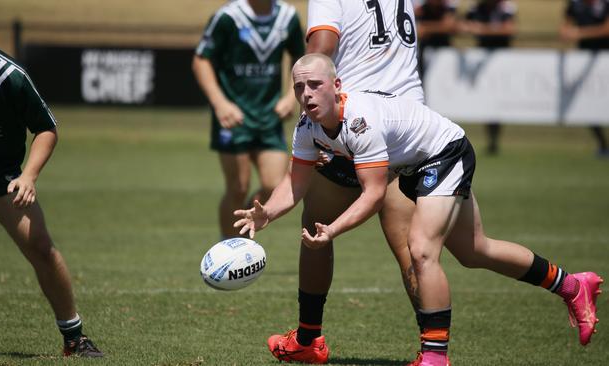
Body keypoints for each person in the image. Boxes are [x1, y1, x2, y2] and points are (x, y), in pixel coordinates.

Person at [234, 54, 603, 366]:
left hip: (445, 153)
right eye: (299, 87)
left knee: (422, 248)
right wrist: (267, 212)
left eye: (314, 84)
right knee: (476, 251)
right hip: (417, 166)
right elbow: (295, 183)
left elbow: (374, 194)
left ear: (337, 84)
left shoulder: (360, 122)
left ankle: (434, 357)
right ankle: (572, 285)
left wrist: (332, 230)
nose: (306, 94)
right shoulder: (307, 127)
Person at [262, 0, 426, 363]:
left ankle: (308, 338)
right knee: (413, 248)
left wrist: (301, 98)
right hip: (408, 126)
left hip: (356, 124)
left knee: (315, 224)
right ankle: (432, 350)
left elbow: (320, 47)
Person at [0, 0, 102, 357]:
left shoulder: (10, 77)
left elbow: (46, 128)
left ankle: (75, 338)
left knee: (39, 245)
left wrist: (28, 176)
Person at [192, 0, 305, 239]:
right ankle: (228, 248)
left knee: (275, 185)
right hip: (234, 118)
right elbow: (201, 60)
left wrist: (290, 96)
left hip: (269, 118)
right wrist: (220, 103)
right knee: (238, 188)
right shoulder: (228, 17)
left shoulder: (288, 17)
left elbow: (301, 56)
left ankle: (245, 231)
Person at [460, 0, 517, 155]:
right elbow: (463, 26)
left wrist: (482, 29)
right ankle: (487, 140)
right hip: (481, 59)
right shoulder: (476, 8)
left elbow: (509, 29)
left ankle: (494, 140)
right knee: (485, 102)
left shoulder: (506, 7)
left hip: (502, 61)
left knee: (498, 102)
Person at [559, 0, 609, 158]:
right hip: (584, 59)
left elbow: (607, 29)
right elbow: (564, 28)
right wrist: (566, 32)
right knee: (588, 104)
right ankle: (603, 145)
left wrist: (579, 32)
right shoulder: (574, 5)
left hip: (605, 58)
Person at [414, 0, 459, 78]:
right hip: (425, 53)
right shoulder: (421, 10)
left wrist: (427, 28)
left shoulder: (447, 9)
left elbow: (451, 27)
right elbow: (419, 31)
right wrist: (441, 26)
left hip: (445, 54)